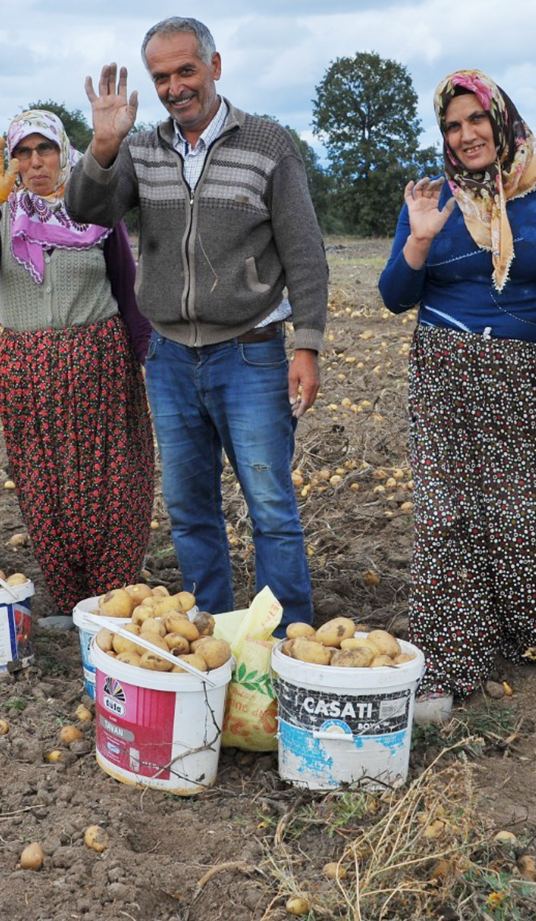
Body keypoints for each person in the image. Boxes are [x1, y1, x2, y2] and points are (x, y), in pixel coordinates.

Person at [65, 17, 327, 630]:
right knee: (188, 506)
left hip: (251, 353)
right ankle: (208, 630)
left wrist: (307, 344)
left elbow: (306, 254)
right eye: (161, 77)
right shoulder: (141, 148)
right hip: (171, 356)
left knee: (270, 506)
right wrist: (102, 147)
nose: (175, 87)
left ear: (215, 65)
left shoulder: (269, 145)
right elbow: (87, 211)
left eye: (186, 70)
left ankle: (284, 641)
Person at [378, 70, 536, 723]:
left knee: (529, 513)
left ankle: (520, 628)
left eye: (476, 120)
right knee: (449, 512)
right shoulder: (430, 196)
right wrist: (418, 238)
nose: (466, 134)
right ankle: (450, 652)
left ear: (500, 121)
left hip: (534, 373)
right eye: (452, 125)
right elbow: (395, 295)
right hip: (445, 369)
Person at [0, 109, 155, 616]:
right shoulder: (4, 212)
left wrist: (143, 354)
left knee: (115, 477)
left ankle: (112, 596)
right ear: (12, 160)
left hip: (100, 358)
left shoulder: (94, 205)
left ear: (65, 151)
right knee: (46, 484)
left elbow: (126, 285)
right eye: (23, 151)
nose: (35, 161)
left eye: (45, 149)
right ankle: (69, 601)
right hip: (28, 367)